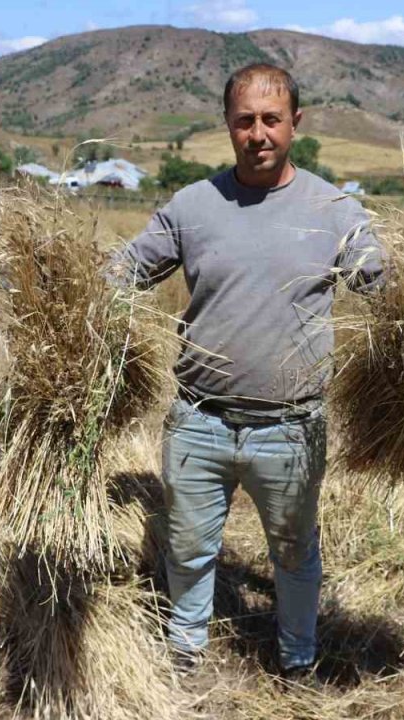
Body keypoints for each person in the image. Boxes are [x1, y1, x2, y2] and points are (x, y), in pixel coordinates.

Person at [112, 64, 385, 680]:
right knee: (187, 546)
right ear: (228, 126)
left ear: (296, 124)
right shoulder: (193, 205)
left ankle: (296, 660)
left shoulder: (334, 210)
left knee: (293, 553)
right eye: (245, 121)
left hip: (289, 428)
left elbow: (390, 291)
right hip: (199, 421)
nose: (258, 133)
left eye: (271, 119)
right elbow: (122, 272)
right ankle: (185, 649)